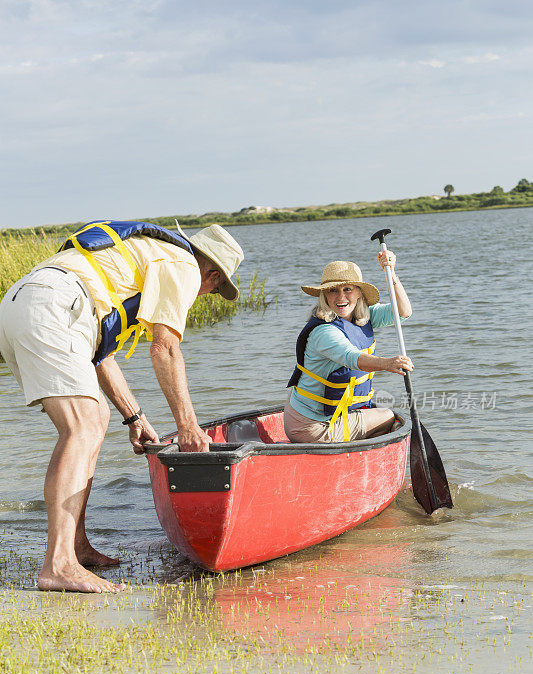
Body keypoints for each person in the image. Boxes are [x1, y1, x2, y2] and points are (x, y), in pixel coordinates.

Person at [0, 219, 244, 593]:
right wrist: (188, 427)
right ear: (210, 274)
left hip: (27, 304)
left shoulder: (149, 258)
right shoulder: (182, 265)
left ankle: (75, 548)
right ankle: (58, 565)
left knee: (93, 419)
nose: (206, 294)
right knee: (79, 428)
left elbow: (100, 356)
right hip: (54, 306)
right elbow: (165, 348)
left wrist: (135, 416)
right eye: (214, 287)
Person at [284, 249, 413, 444]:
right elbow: (354, 358)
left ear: (359, 293)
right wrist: (389, 363)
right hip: (312, 426)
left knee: (379, 415)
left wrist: (391, 273)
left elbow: (403, 312)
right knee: (389, 417)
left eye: (347, 289)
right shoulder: (324, 332)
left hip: (323, 417)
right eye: (333, 290)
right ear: (324, 295)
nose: (340, 297)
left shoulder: (362, 316)